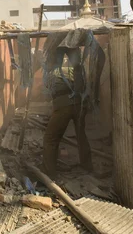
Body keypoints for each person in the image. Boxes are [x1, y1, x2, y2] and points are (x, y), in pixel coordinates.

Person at [42, 46, 92, 179]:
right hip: (79, 105)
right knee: (81, 136)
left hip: (64, 105)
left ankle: (50, 174)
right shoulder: (77, 69)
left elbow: (48, 92)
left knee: (50, 139)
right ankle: (88, 166)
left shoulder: (52, 71)